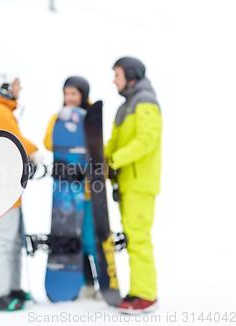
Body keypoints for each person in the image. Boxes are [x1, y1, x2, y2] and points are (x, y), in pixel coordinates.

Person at [0, 70, 43, 311]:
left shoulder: (3, 110)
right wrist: (34, 151)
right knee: (5, 240)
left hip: (9, 186)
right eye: (17, 85)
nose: (20, 89)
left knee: (14, 239)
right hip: (1, 187)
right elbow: (15, 140)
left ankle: (12, 287)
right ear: (5, 87)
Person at [106, 56, 162, 314]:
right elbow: (116, 142)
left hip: (139, 183)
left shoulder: (145, 101)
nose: (114, 79)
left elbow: (146, 140)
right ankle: (139, 290)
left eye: (118, 74)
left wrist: (115, 161)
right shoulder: (126, 106)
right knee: (133, 238)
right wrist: (102, 160)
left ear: (131, 75)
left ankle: (145, 295)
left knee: (138, 238)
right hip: (128, 184)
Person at [43, 76, 100, 300]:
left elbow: (99, 147)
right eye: (66, 93)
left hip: (86, 192)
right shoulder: (58, 117)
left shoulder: (92, 119)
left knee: (89, 237)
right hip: (66, 192)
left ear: (83, 95)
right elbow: (49, 142)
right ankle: (84, 284)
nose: (69, 98)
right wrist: (62, 124)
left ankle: (100, 280)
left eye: (74, 94)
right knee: (71, 237)